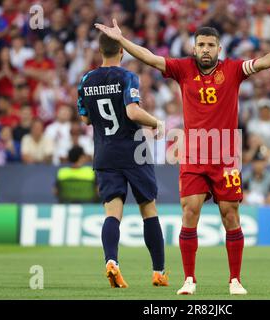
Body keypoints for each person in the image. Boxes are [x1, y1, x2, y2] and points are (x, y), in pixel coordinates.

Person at [95, 18, 270, 295]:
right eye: (200, 44)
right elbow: (150, 58)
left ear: (219, 48)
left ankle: (235, 280)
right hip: (193, 155)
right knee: (190, 212)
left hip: (225, 155)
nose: (205, 50)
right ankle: (189, 279)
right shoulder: (183, 68)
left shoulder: (234, 70)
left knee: (230, 215)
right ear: (194, 47)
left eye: (210, 45)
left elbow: (263, 62)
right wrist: (122, 41)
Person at [77, 33, 167, 289]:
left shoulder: (86, 80)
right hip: (133, 151)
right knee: (148, 210)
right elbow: (132, 111)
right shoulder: (127, 77)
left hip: (104, 153)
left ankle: (112, 261)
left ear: (99, 50)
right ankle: (158, 272)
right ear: (122, 51)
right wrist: (157, 122)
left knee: (112, 214)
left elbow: (85, 119)